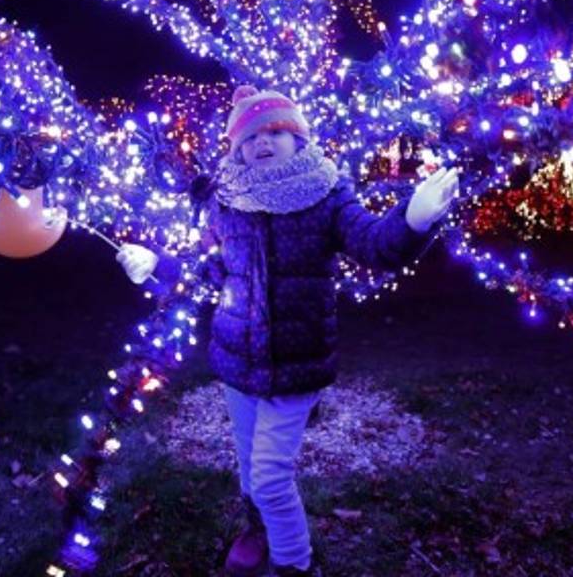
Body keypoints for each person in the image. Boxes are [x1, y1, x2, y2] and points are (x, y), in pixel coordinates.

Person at [116, 85, 458, 576]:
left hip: (295, 364)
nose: (262, 140)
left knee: (273, 478)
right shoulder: (228, 203)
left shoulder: (326, 196)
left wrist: (412, 220)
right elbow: (205, 271)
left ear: (298, 137)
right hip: (237, 360)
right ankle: (258, 529)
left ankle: (294, 565)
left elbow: (375, 244)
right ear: (236, 148)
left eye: (275, 129)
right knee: (251, 469)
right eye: (250, 135)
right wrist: (155, 266)